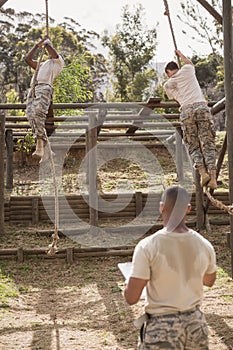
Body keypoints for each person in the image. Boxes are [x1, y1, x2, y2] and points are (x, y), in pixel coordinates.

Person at [124, 185, 217, 349]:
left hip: (162, 327)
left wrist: (128, 284)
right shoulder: (204, 245)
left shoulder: (148, 246)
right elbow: (209, 280)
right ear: (188, 209)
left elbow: (131, 298)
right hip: (195, 325)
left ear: (161, 207)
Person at [163, 50, 217, 189]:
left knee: (192, 145)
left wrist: (182, 101)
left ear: (168, 72)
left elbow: (175, 99)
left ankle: (202, 172)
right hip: (201, 106)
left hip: (186, 111)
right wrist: (179, 53)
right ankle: (212, 177)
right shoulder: (187, 70)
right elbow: (189, 63)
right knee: (208, 142)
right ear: (177, 67)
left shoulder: (168, 84)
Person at [25, 37, 64, 162]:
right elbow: (27, 59)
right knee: (30, 114)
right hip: (33, 88)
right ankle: (46, 147)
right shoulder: (41, 64)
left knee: (38, 113)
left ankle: (40, 145)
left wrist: (47, 43)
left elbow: (54, 53)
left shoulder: (57, 62)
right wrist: (37, 46)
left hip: (44, 87)